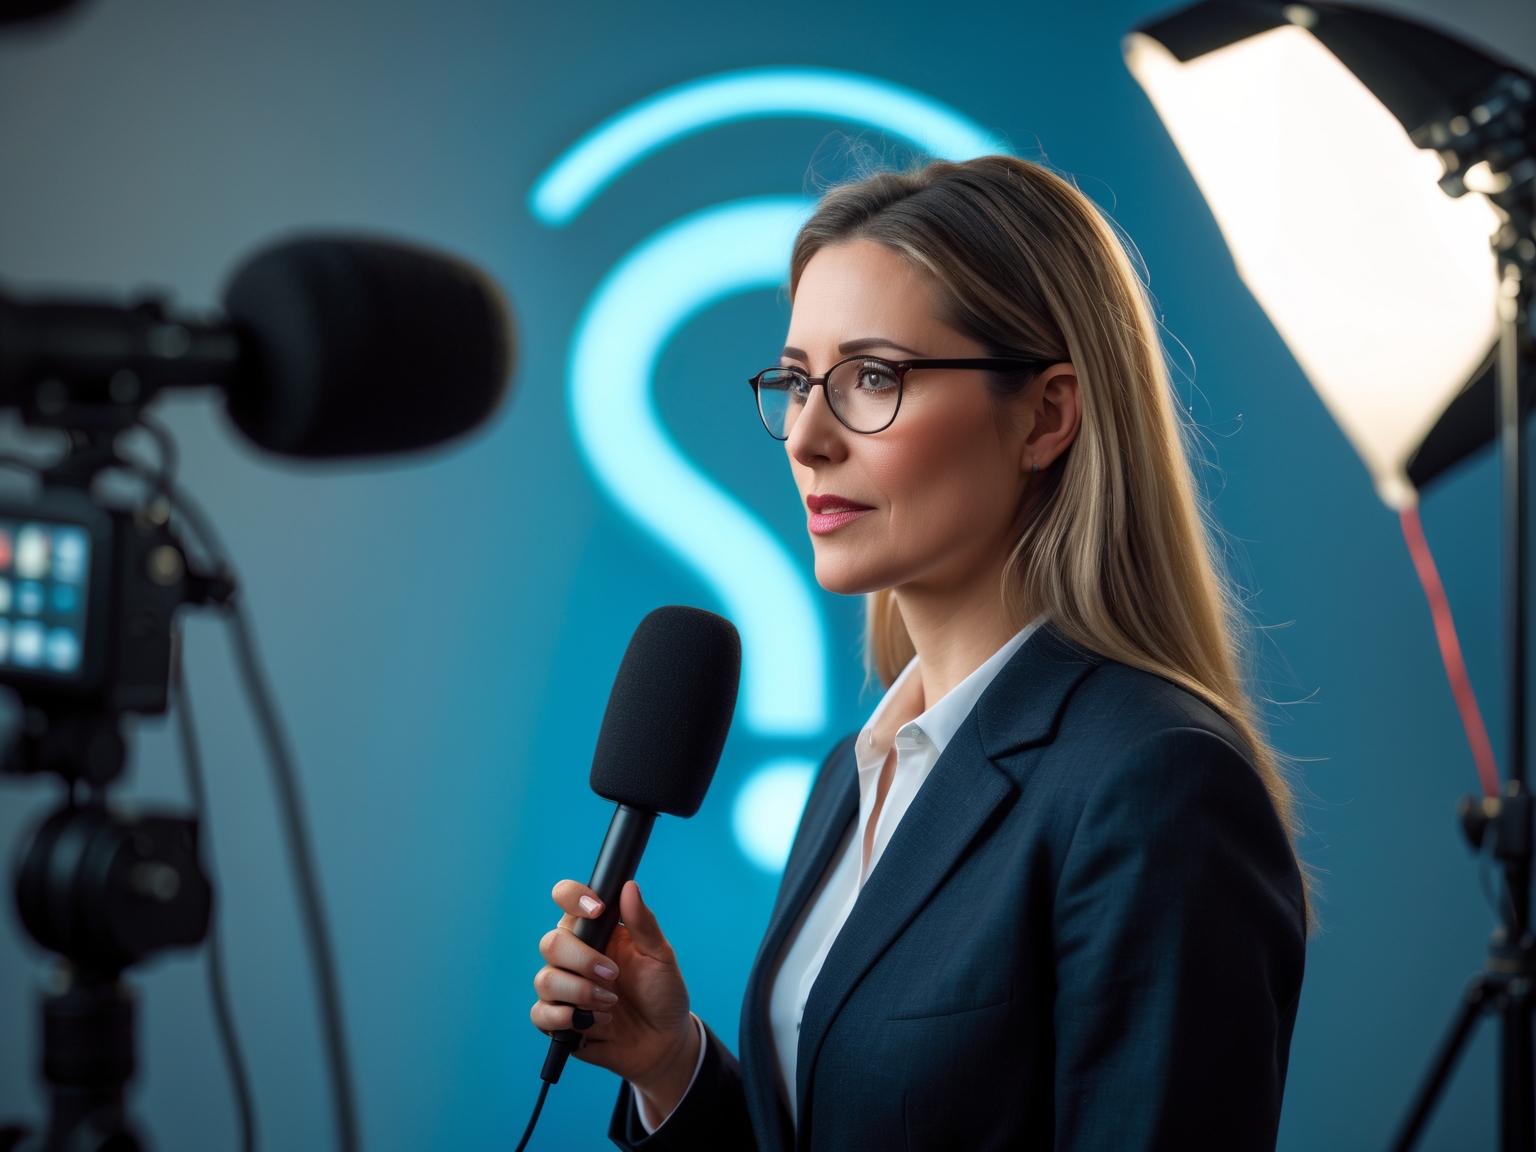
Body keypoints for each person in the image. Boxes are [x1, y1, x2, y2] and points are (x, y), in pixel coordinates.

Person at [530, 155, 1307, 1151]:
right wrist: (671, 1066)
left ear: (1046, 416)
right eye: (797, 382)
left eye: (873, 378)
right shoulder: (855, 775)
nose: (806, 437)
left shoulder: (1154, 782)